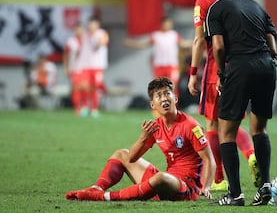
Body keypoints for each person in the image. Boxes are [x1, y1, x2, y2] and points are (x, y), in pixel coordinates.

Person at [65, 77, 215, 201]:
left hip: (186, 187)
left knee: (160, 177)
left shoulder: (190, 125)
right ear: (153, 104)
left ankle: (103, 197)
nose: (164, 99)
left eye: (167, 94)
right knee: (121, 154)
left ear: (175, 98)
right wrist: (144, 138)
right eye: (159, 96)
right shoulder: (155, 127)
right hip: (166, 183)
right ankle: (96, 188)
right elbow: (131, 158)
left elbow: (209, 159)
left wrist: (206, 187)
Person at [206, 0, 277, 206]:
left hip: (239, 66)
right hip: (266, 65)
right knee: (260, 128)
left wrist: (221, 73)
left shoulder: (216, 8)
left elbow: (218, 47)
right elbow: (272, 43)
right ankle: (265, 185)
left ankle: (235, 194)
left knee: (226, 131)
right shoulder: (256, 6)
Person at [187, 0, 260, 192]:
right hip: (240, 69)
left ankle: (218, 178)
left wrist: (193, 72)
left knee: (213, 125)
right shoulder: (243, 2)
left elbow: (199, 40)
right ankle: (251, 154)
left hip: (214, 72)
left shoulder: (204, 2)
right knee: (233, 123)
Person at [125, 16, 192, 94]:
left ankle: (173, 104)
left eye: (169, 24)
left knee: (172, 85)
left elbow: (183, 43)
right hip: (159, 65)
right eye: (166, 23)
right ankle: (159, 104)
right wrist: (132, 43)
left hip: (171, 65)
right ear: (162, 24)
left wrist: (196, 42)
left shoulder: (174, 35)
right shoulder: (156, 36)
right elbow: (144, 44)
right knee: (158, 86)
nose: (168, 25)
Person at [80, 16, 109, 118]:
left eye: (94, 23)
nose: (92, 26)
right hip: (85, 65)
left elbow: (103, 42)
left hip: (97, 65)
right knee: (84, 86)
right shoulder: (84, 34)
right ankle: (84, 107)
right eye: (90, 23)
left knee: (95, 88)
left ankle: (94, 109)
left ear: (98, 24)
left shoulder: (102, 33)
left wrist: (98, 42)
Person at [63, 22, 84, 115]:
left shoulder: (87, 40)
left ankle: (85, 107)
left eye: (80, 29)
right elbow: (66, 55)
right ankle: (77, 108)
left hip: (85, 68)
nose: (79, 31)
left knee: (85, 89)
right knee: (76, 89)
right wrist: (66, 68)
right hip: (74, 68)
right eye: (77, 29)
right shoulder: (70, 41)